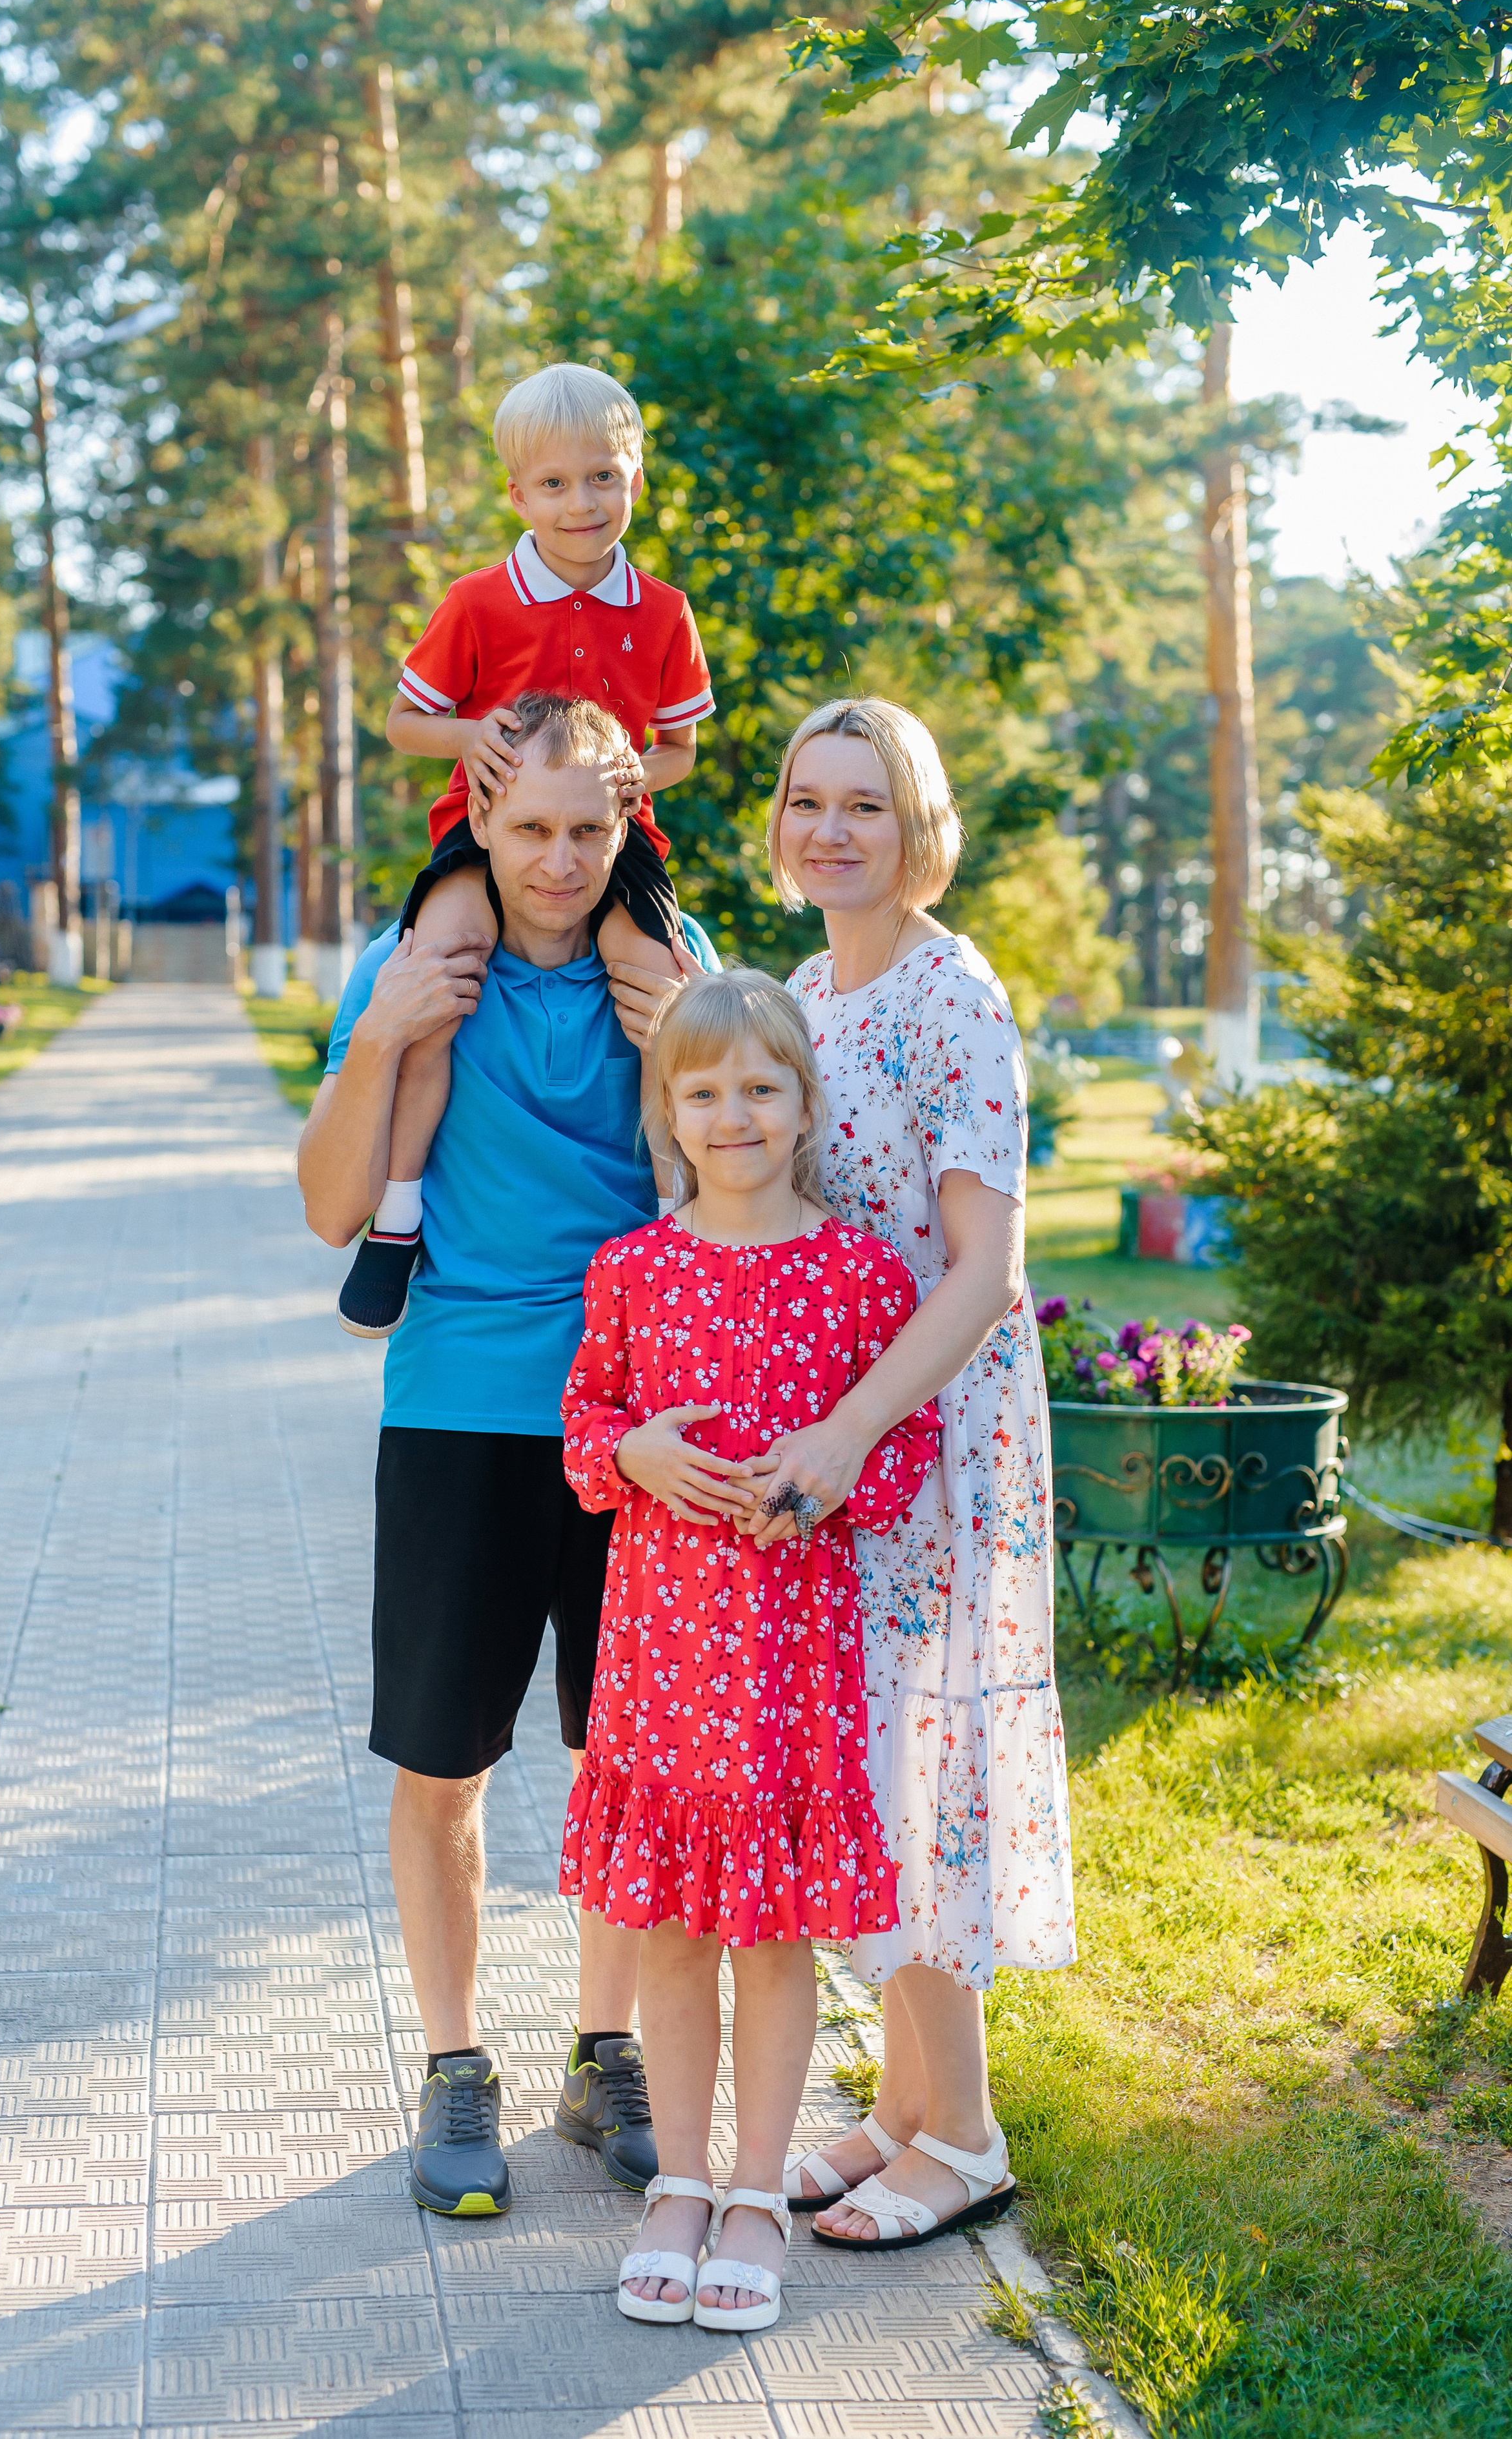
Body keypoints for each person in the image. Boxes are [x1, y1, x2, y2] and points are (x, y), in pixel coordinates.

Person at [296, 692, 711, 2219]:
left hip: (645, 1426)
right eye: (527, 828)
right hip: (462, 1406)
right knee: (444, 1762)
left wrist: (688, 1057)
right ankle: (455, 2065)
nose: (556, 860)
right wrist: (386, 1035)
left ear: (626, 825)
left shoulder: (672, 969)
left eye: (587, 829)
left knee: (626, 1759)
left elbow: (752, 1171)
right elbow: (333, 1206)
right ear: (476, 820)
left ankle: (606, 2051)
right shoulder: (415, 971)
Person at [558, 970, 943, 2330]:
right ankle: (677, 2181)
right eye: (703, 1090)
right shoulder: (633, 1268)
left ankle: (759, 2193)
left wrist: (831, 1475)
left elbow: (897, 1443)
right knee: (666, 1928)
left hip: (789, 1662)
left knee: (771, 1939)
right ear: (667, 1109)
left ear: (801, 1104)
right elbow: (585, 1430)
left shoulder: (852, 1272)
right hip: (662, 1658)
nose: (733, 1114)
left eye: (759, 1089)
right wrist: (632, 1450)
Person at [741, 695, 1078, 2251]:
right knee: (858, 1772)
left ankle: (971, 2135)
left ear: (914, 823)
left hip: (931, 1437)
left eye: (862, 804)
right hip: (829, 1450)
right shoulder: (803, 991)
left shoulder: (954, 993)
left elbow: (981, 1270)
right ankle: (895, 2109)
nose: (830, 829)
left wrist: (850, 1428)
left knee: (912, 1779)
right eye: (808, 799)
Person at [338, 360, 716, 1339]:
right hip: (485, 833)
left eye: (604, 477)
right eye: (554, 483)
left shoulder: (664, 612)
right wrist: (470, 738)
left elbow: (678, 752)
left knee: (658, 998)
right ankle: (399, 1215)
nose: (582, 502)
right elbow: (400, 722)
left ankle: (683, 1215)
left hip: (610, 843)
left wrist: (637, 778)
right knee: (440, 979)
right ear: (518, 493)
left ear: (637, 476)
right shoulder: (479, 602)